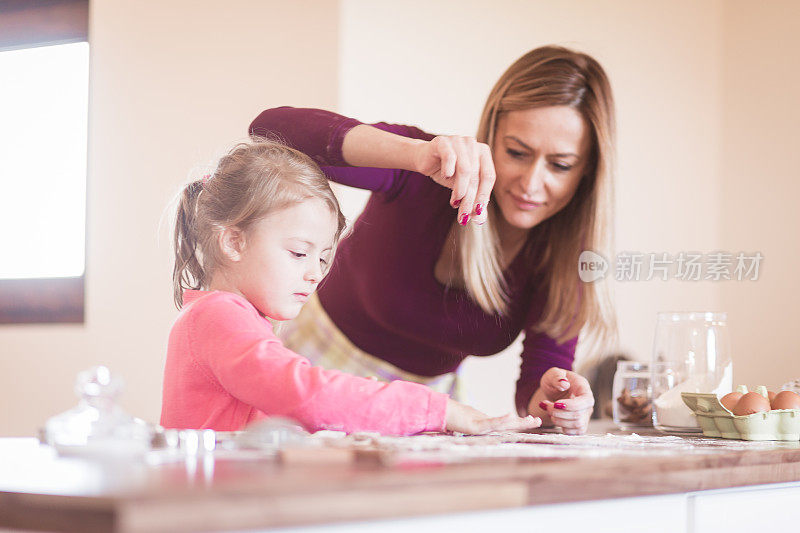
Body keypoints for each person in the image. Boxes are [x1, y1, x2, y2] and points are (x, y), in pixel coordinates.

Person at [248, 46, 618, 435]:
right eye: (516, 152)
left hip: (424, 412)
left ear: (587, 172)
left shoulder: (567, 261)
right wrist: (414, 154)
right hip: (312, 371)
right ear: (491, 136)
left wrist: (556, 402)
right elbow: (270, 129)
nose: (531, 183)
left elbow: (537, 387)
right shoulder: (428, 170)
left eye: (560, 165)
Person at [160, 140, 540, 435]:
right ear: (234, 241)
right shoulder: (219, 317)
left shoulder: (230, 319)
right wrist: (440, 409)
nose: (315, 274)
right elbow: (305, 394)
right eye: (298, 253)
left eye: (322, 259)